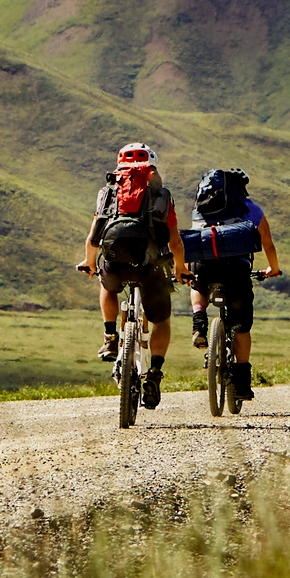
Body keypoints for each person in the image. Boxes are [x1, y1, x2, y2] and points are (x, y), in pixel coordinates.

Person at [77, 142, 186, 408]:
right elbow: (174, 241)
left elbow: (95, 235)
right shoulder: (161, 195)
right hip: (151, 267)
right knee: (162, 321)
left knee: (108, 283)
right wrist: (180, 268)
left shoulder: (109, 191)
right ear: (152, 167)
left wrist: (89, 263)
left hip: (116, 263)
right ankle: (155, 374)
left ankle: (110, 336)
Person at [188, 187, 281, 402]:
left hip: (204, 267)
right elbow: (267, 242)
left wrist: (186, 272)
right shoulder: (251, 208)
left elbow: (191, 242)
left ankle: (199, 321)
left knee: (198, 285)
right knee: (241, 326)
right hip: (236, 271)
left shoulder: (201, 208)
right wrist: (273, 269)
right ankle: (241, 384)